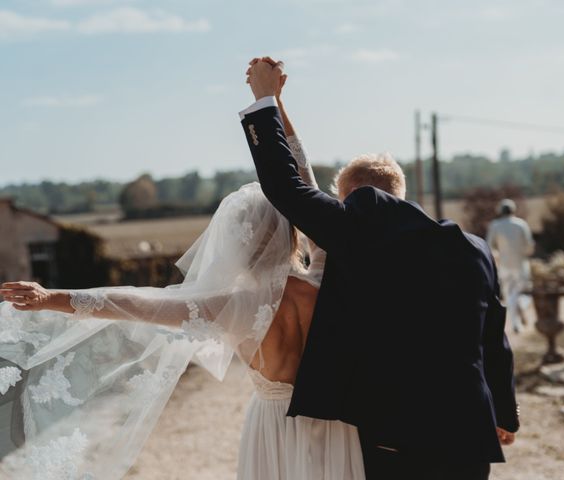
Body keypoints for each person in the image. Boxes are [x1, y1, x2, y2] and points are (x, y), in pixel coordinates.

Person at [0, 80, 365, 479]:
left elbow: (138, 305)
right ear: (296, 229)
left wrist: (50, 296)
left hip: (274, 425)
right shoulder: (323, 278)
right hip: (335, 419)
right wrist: (274, 102)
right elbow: (303, 182)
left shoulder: (234, 306)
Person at [242, 57, 519, 480]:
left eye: (339, 201)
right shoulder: (473, 249)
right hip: (468, 435)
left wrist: (264, 99)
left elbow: (290, 189)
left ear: (353, 198)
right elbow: (494, 341)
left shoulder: (362, 233)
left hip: (395, 435)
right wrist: (504, 412)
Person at [486, 199, 535, 334]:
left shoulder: (495, 225)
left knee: (510, 295)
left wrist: (497, 257)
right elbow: (529, 245)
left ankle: (516, 322)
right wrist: (524, 254)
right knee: (523, 292)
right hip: (520, 264)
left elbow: (489, 246)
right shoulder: (521, 224)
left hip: (504, 265)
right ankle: (519, 313)